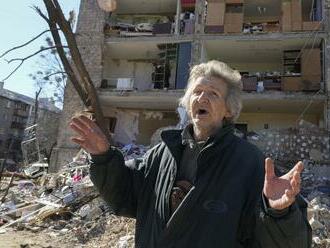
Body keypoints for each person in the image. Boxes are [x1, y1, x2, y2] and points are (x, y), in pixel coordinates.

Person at [70, 60, 311, 248]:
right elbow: (125, 198)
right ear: (187, 102)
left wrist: (279, 211)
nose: (202, 97)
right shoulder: (161, 154)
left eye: (213, 93)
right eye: (197, 91)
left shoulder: (250, 163)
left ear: (229, 109)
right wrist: (103, 157)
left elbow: (290, 243)